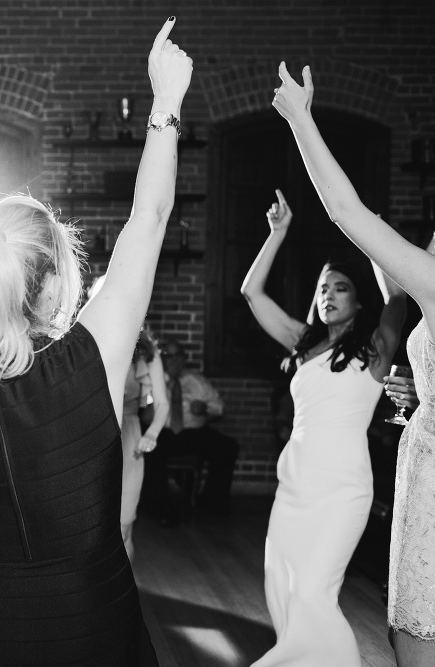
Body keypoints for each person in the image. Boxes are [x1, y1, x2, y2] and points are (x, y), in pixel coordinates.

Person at [0, 17, 190, 665]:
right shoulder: (86, 362)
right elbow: (147, 220)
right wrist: (166, 103)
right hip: (95, 623)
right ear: (53, 283)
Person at [271, 62, 433, 667]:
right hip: (416, 467)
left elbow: (347, 212)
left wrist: (302, 120)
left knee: (414, 641)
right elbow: (390, 279)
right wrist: (420, 393)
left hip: (413, 480)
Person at [240, 188, 406, 667]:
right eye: (322, 288)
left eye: (340, 288)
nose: (328, 295)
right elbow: (252, 292)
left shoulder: (375, 349)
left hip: (341, 492)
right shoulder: (301, 343)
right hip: (292, 491)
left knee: (314, 595)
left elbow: (396, 296)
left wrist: (369, 236)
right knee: (286, 598)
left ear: (357, 301)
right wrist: (277, 234)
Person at [89, 279, 169, 560]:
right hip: (90, 440)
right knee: (90, 533)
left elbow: (162, 403)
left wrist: (152, 434)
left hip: (129, 439)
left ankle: (120, 600)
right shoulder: (83, 345)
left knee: (122, 529)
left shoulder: (146, 350)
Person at [141, 338, 240, 525]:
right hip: (164, 433)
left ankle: (212, 501)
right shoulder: (152, 381)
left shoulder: (197, 380)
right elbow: (143, 417)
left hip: (195, 432)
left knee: (227, 447)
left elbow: (219, 408)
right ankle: (161, 508)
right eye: (168, 356)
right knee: (151, 451)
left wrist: (205, 410)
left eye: (178, 355)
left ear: (184, 358)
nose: (174, 360)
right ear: (161, 359)